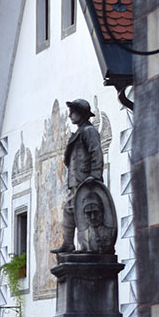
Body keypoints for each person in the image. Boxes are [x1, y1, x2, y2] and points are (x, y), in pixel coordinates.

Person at [51, 98, 103, 254]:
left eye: (72, 112)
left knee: (84, 212)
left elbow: (96, 152)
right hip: (76, 180)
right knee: (70, 209)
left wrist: (94, 174)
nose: (70, 115)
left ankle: (87, 246)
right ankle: (68, 243)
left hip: (85, 181)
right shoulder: (79, 132)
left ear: (81, 113)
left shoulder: (88, 131)